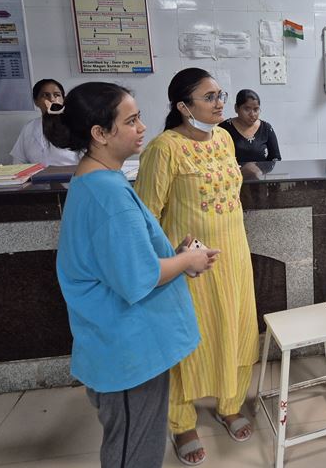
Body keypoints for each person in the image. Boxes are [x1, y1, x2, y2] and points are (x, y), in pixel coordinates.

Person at [51, 81, 217, 468]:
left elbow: (122, 260)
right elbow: (138, 278)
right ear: (100, 133)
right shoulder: (109, 198)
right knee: (134, 452)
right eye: (130, 121)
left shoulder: (96, 180)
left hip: (123, 344)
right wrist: (187, 262)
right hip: (128, 353)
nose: (142, 127)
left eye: (139, 117)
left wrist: (176, 255)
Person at [135, 68, 259, 466]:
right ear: (183, 106)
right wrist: (170, 261)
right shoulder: (164, 148)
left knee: (235, 330)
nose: (220, 103)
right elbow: (147, 217)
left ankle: (230, 405)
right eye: (209, 97)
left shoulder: (224, 137)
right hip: (188, 266)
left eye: (220, 95)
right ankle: (181, 422)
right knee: (186, 340)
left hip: (233, 257)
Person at [11, 79, 82, 166]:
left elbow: (89, 160)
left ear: (64, 99)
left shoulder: (75, 125)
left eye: (57, 95)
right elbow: (19, 161)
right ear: (36, 101)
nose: (52, 99)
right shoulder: (29, 128)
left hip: (73, 174)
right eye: (45, 95)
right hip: (37, 175)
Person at [218, 89, 281, 163]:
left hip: (261, 171)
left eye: (256, 109)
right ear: (236, 108)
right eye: (247, 109)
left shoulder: (266, 128)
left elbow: (276, 158)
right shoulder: (224, 129)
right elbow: (217, 159)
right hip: (231, 170)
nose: (252, 114)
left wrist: (262, 169)